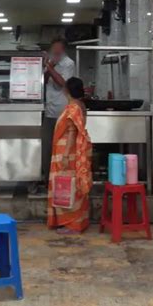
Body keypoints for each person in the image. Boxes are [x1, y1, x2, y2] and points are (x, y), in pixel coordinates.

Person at [47, 77, 93, 234]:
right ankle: (74, 222)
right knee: (71, 186)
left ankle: (72, 224)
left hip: (68, 154)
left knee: (68, 187)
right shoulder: (80, 106)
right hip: (72, 153)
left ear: (67, 90)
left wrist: (65, 155)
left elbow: (72, 133)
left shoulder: (73, 108)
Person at [41, 36, 75, 185]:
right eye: (53, 50)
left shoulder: (68, 63)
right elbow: (42, 79)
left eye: (58, 50)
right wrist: (47, 68)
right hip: (49, 112)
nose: (55, 53)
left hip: (63, 112)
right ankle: (47, 179)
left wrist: (50, 67)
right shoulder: (49, 63)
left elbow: (63, 83)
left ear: (63, 50)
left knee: (61, 148)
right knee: (47, 147)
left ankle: (61, 179)